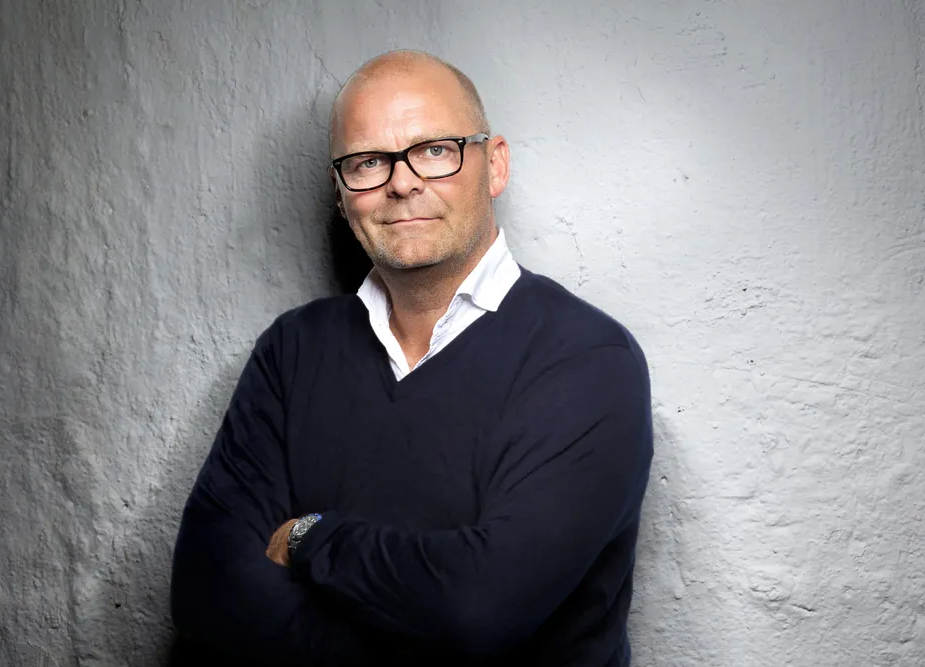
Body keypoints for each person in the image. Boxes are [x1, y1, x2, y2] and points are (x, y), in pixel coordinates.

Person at [169, 49, 654, 667]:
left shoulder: (588, 360)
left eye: (434, 150)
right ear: (341, 192)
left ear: (495, 165)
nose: (401, 183)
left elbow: (481, 605)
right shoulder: (293, 350)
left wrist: (312, 536)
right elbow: (205, 591)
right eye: (368, 162)